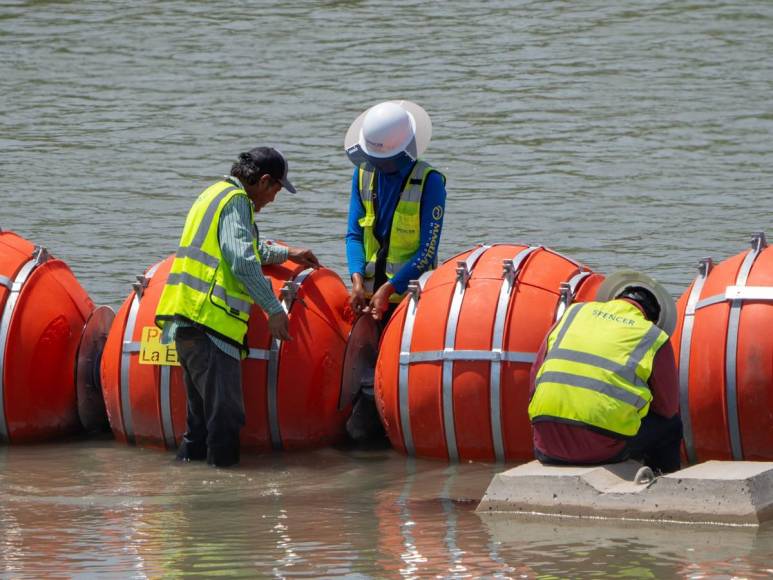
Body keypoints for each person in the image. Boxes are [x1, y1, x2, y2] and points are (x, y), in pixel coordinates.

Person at [155, 147, 319, 468]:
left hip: (185, 318)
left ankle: (188, 488)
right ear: (264, 181)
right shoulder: (238, 202)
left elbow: (244, 245)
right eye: (275, 190)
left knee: (199, 424)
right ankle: (222, 500)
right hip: (212, 325)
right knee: (225, 421)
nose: (273, 200)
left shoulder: (213, 193)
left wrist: (287, 253)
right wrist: (273, 309)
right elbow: (242, 260)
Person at [527, 270, 683, 474]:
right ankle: (660, 488)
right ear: (653, 318)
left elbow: (534, 380)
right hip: (601, 450)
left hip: (545, 444)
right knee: (671, 426)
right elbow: (668, 408)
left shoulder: (572, 314)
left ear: (614, 298)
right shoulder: (653, 336)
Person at [344, 100, 447, 321]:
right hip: (368, 293)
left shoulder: (430, 182)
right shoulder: (362, 174)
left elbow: (427, 251)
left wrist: (390, 288)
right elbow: (354, 235)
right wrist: (357, 281)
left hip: (410, 297)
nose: (380, 168)